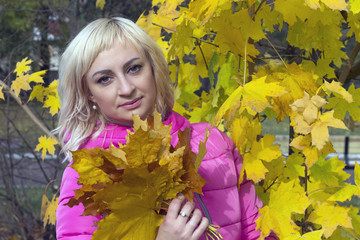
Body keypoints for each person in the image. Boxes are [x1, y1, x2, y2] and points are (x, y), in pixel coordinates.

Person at [55, 17, 271, 240]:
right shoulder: (88, 173)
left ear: (153, 68)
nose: (127, 88)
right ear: (89, 92)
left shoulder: (213, 143)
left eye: (134, 68)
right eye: (105, 79)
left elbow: (259, 232)